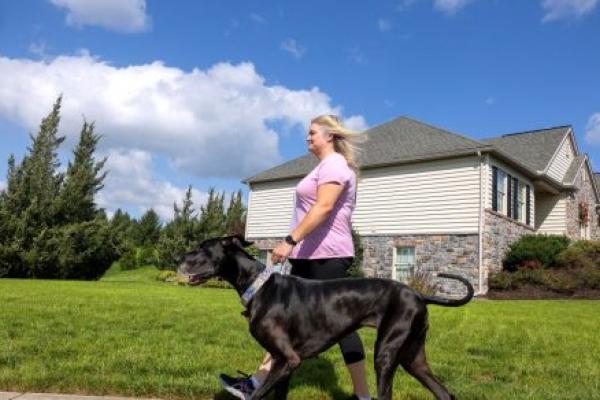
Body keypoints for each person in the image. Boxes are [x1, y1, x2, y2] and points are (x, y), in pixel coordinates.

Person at [220, 114, 371, 400]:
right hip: (308, 255)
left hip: (327, 256)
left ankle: (362, 396)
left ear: (329, 136)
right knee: (283, 321)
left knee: (343, 326)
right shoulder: (324, 167)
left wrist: (290, 240)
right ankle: (257, 382)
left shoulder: (335, 166)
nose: (307, 137)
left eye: (312, 132)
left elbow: (324, 207)